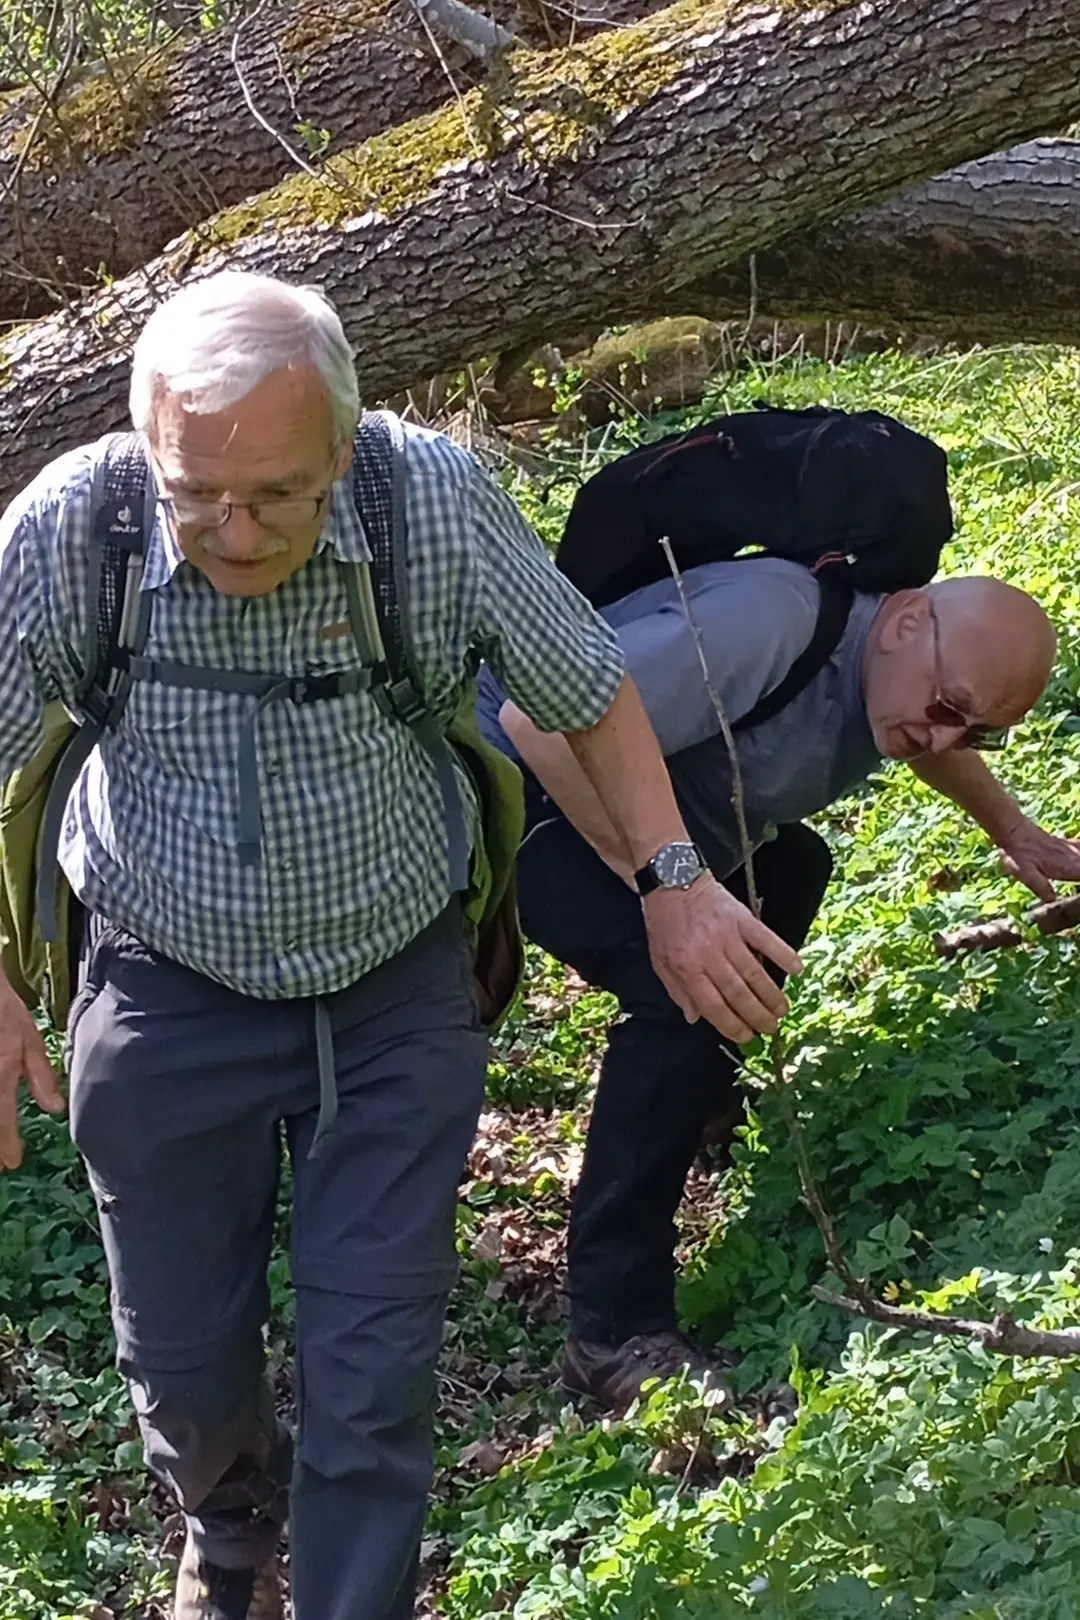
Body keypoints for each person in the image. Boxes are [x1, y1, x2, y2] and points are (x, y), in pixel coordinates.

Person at [0, 273, 806, 1620]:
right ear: (147, 446)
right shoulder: (71, 531)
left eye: (279, 494)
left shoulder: (424, 500)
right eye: (199, 495)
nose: (237, 532)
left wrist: (676, 880)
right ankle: (227, 1529)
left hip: (393, 989)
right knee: (184, 1368)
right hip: (158, 976)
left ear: (345, 442)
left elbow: (589, 686)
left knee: (372, 1375)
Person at [477, 555, 1080, 1412]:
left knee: (791, 868)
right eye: (948, 709)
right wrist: (667, 894)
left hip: (643, 803)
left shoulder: (897, 678)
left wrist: (1012, 826)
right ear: (907, 621)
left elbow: (930, 729)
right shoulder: (766, 627)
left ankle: (705, 1102)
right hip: (518, 785)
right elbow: (536, 720)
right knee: (677, 985)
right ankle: (611, 1329)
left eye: (973, 732)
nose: (943, 739)